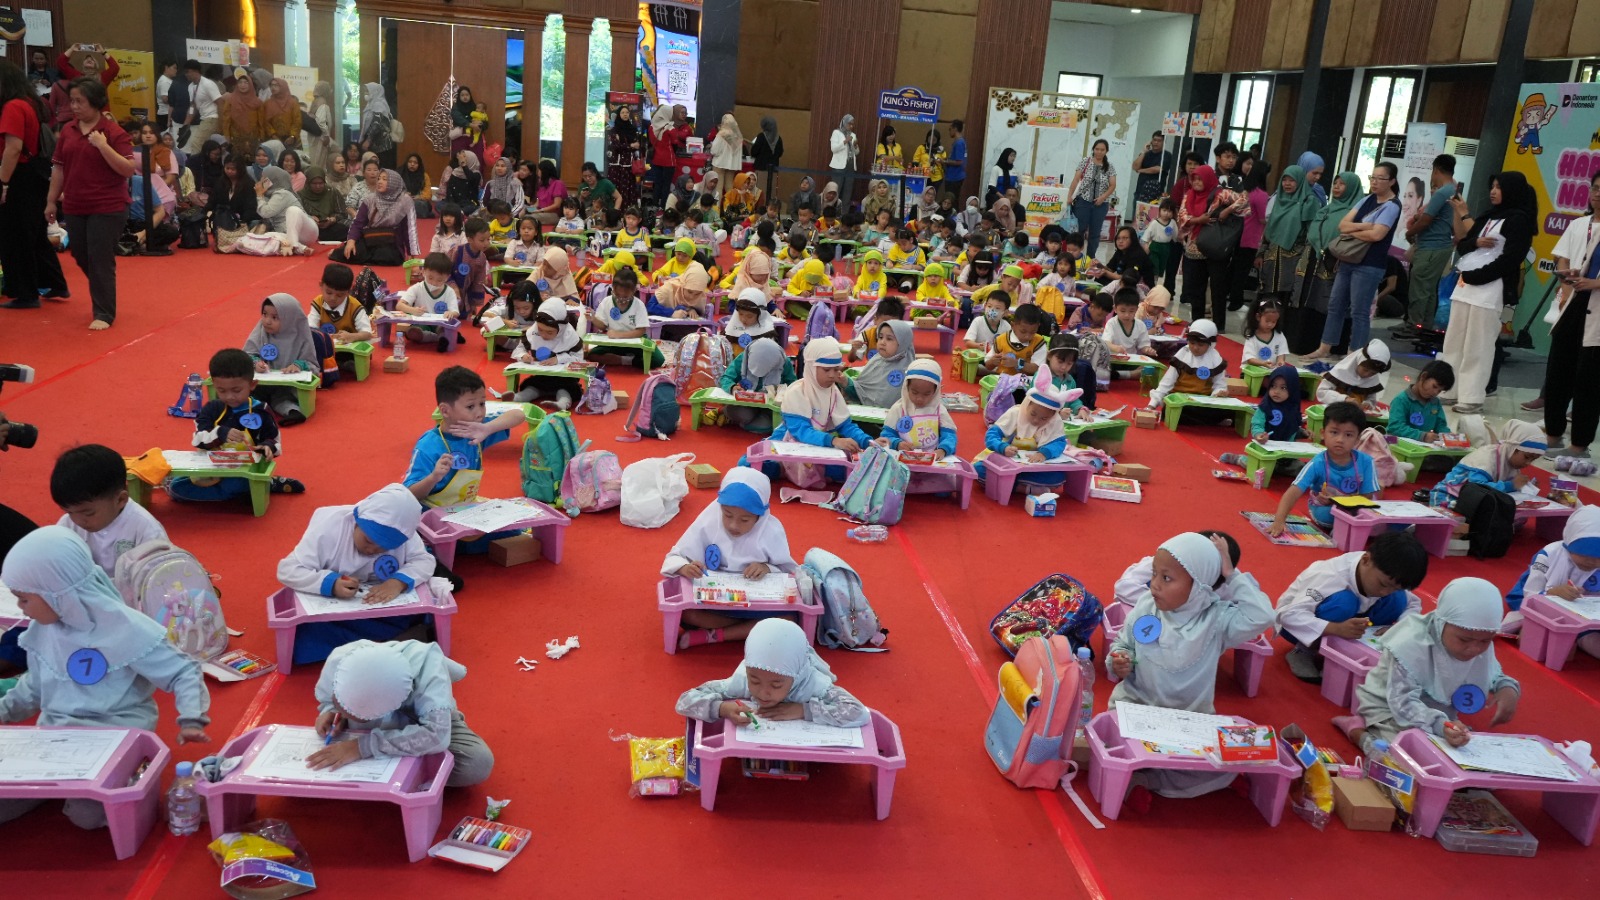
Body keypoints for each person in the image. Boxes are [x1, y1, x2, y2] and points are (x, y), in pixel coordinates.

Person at [0, 527, 211, 828]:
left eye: (24, 600)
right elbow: (36, 684)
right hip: (54, 739)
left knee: (88, 816)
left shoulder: (125, 627)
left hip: (117, 738)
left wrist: (191, 717)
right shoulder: (44, 629)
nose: (21, 608)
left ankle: (131, 779)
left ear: (58, 595)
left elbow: (182, 670)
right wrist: (5, 710)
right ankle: (54, 784)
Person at [1106, 532, 1273, 797]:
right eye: (1155, 574)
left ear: (1199, 585)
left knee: (1231, 760)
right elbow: (1122, 645)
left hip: (1188, 722)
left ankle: (1145, 779)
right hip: (1134, 712)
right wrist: (1119, 662)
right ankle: (1148, 774)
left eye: (1167, 578)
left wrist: (1231, 574)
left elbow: (1263, 616)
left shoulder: (1217, 620)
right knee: (1110, 739)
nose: (1154, 585)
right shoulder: (1147, 606)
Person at [1339, 578, 1520, 757]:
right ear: (1441, 623)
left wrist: (1507, 688)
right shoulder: (1410, 643)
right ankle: (1358, 732)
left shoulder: (1476, 637)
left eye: (1485, 641)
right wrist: (1441, 725)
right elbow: (1402, 704)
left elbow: (1493, 672)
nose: (1474, 649)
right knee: (1403, 757)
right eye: (1464, 640)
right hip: (1389, 709)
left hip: (1440, 716)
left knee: (1461, 758)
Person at [276, 483, 437, 666]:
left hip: (379, 608)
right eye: (368, 540)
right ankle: (386, 645)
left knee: (418, 614)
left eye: (385, 547)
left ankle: (367, 647)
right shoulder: (329, 528)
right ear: (357, 520)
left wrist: (397, 582)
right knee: (307, 637)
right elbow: (288, 570)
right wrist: (330, 584)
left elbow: (425, 560)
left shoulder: (404, 532)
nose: (374, 550)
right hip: (337, 610)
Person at [308, 639, 492, 786]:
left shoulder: (430, 670)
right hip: (372, 728)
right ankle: (407, 767)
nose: (344, 713)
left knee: (476, 763)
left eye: (350, 713)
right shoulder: (340, 659)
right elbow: (328, 699)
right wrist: (330, 711)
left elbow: (437, 735)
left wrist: (361, 747)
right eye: (340, 703)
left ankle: (407, 772)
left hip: (422, 723)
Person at [1438, 171, 1538, 414]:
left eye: (1498, 187)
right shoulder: (1487, 216)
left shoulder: (1520, 220)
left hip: (1490, 287)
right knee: (1454, 341)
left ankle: (1471, 396)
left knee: (1479, 344)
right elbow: (1462, 244)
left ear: (1511, 190)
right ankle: (1448, 388)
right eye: (1492, 186)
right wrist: (1475, 243)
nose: (1493, 191)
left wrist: (1477, 276)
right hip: (1465, 287)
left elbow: (1511, 259)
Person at [1275, 531, 1428, 681]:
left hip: (1352, 619)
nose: (1385, 592)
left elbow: (1413, 603)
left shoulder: (1384, 575)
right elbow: (1288, 615)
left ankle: (1351, 649)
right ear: (1366, 560)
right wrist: (1336, 629)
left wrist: (1400, 627)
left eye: (1395, 587)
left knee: (1398, 599)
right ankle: (1303, 651)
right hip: (1295, 626)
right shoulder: (1331, 575)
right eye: (1383, 584)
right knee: (1344, 603)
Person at [47, 78, 136, 331]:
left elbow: (128, 169)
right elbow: (59, 168)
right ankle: (103, 286)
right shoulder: (68, 131)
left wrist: (103, 146)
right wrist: (51, 200)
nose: (73, 106)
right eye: (71, 101)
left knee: (99, 259)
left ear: (96, 103)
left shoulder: (113, 132)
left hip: (108, 206)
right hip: (75, 205)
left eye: (79, 101)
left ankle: (104, 312)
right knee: (80, 254)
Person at [677, 616, 870, 722]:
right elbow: (685, 701)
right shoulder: (743, 679)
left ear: (796, 675)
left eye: (777, 684)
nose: (763, 692)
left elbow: (859, 712)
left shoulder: (811, 685)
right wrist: (721, 708)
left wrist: (805, 710)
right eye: (755, 680)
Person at [1305, 162, 1402, 362]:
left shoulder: (1393, 205)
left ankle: (1354, 354)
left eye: (1380, 178)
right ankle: (1325, 348)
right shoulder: (1367, 200)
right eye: (1372, 177)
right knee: (1335, 305)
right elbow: (1343, 226)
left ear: (1392, 181)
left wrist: (1357, 229)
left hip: (1370, 264)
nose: (1374, 182)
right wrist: (1365, 225)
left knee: (1359, 311)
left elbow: (1377, 235)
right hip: (1349, 259)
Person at [0, 60, 70, 310]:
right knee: (36, 234)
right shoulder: (32, 103)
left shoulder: (12, 107)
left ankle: (25, 292)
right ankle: (55, 283)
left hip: (20, 174)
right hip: (36, 171)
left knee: (15, 235)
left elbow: (13, 148)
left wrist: (3, 182)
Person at [403, 366, 523, 507]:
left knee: (513, 526)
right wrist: (433, 478)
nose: (479, 412)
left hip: (464, 508)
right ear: (445, 410)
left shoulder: (478, 430)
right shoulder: (428, 447)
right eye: (470, 406)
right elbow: (409, 494)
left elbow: (519, 415)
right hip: (432, 514)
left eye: (482, 404)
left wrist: (487, 428)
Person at [1542, 170, 1600, 461]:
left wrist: (1596, 283)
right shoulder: (1579, 224)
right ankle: (1552, 436)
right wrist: (1567, 282)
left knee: (1588, 382)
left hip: (1597, 313)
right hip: (1574, 304)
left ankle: (1579, 446)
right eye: (1595, 188)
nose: (1598, 194)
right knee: (1557, 374)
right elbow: (1563, 256)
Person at [50, 444, 167, 574]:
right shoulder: (67, 525)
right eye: (69, 512)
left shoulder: (147, 530)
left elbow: (158, 577)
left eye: (88, 513)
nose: (77, 520)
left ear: (120, 500)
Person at [1502, 507, 1600, 659]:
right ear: (1569, 544)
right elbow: (1530, 594)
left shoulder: (1596, 566)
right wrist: (1553, 593)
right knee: (1543, 636)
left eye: (1598, 558)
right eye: (1584, 554)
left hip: (1584, 618)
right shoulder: (1549, 555)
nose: (1592, 562)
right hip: (1539, 603)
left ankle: (1574, 634)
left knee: (1589, 638)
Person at [1269, 401, 1380, 534]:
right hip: (1325, 509)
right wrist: (1279, 521)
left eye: (1348, 435)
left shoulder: (1366, 461)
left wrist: (1338, 500)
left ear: (1358, 439)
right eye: (1334, 432)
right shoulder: (1318, 463)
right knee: (1329, 514)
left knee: (1373, 511)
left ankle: (1350, 527)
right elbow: (1293, 492)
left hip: (1355, 506)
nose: (1340, 439)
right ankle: (1349, 528)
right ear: (1323, 433)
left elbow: (1367, 496)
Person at [1297, 172, 1362, 354]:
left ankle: (1335, 346)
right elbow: (1313, 231)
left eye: (1342, 184)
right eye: (1335, 183)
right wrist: (1320, 248)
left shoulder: (1355, 214)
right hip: (1316, 260)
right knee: (1315, 301)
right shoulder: (1326, 209)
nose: (1336, 187)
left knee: (1334, 304)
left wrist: (1330, 249)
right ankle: (1311, 342)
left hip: (1338, 263)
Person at [1396, 155, 1458, 332]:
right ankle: (1425, 326)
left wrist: (1409, 233)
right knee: (1429, 290)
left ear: (1436, 170)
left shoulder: (1442, 192)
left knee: (1419, 289)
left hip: (1431, 247)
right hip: (1441, 247)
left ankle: (1413, 325)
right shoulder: (1453, 190)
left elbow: (1426, 220)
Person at [1428, 419, 1547, 510]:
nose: (1528, 463)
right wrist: (1511, 485)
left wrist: (1526, 486)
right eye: (1526, 457)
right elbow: (1476, 489)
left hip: (1476, 501)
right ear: (1513, 448)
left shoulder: (1509, 461)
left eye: (1533, 460)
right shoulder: (1486, 458)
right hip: (1449, 497)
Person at [1177, 165, 1237, 326]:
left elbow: (1244, 200)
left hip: (1215, 247)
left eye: (1200, 179)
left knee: (1218, 288)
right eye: (1194, 179)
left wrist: (1228, 210)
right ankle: (1197, 322)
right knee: (1196, 288)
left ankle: (1218, 325)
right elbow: (1182, 217)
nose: (1196, 182)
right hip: (1194, 248)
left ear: (1208, 179)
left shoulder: (1220, 193)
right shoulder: (1189, 195)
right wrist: (1199, 220)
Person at [245, 293, 320, 423]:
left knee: (281, 398)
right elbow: (247, 355)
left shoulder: (300, 336)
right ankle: (259, 411)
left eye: (275, 317)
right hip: (261, 384)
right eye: (264, 314)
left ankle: (293, 412)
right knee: (248, 394)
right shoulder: (261, 331)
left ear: (289, 319)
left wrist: (298, 365)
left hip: (288, 387)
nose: (267, 321)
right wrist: (256, 363)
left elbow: (313, 367)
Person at [978, 384, 1071, 487]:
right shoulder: (1015, 413)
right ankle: (1024, 487)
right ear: (1027, 404)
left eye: (1044, 419)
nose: (1036, 421)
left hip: (1033, 468)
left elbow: (1059, 443)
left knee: (1058, 477)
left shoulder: (1055, 421)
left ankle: (1010, 484)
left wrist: (1044, 454)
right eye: (1033, 414)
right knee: (979, 469)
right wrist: (1002, 447)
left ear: (1053, 416)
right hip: (1006, 463)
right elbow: (991, 435)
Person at [1219, 366, 1305, 471]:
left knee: (1302, 469)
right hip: (1265, 451)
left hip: (1287, 456)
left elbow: (1291, 427)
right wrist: (1259, 434)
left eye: (1283, 388)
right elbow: (1257, 424)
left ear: (1293, 389)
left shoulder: (1293, 408)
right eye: (1273, 386)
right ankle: (1239, 459)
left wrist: (1304, 433)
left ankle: (1278, 468)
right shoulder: (1266, 407)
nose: (1276, 391)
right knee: (1259, 467)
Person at [1257, 164, 1321, 306]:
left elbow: (1312, 234)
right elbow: (1269, 229)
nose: (1287, 184)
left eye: (1292, 180)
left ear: (1300, 181)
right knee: (1267, 297)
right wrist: (1261, 253)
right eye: (1284, 180)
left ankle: (1283, 328)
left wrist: (1304, 261)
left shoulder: (1308, 202)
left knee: (1287, 298)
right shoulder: (1279, 199)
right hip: (1272, 257)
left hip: (1293, 259)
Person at [337, 167, 419, 266]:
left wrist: (412, 253)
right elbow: (358, 222)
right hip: (370, 239)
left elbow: (409, 228)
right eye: (379, 178)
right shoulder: (370, 199)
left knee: (387, 256)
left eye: (384, 179)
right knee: (349, 253)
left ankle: (368, 259)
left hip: (391, 243)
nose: (380, 182)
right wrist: (351, 241)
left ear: (394, 182)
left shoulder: (405, 201)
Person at [1146, 319, 1228, 408]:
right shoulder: (1182, 356)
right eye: (1192, 343)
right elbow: (1166, 384)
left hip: (1203, 402)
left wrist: (1219, 393)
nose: (1195, 348)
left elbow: (1220, 385)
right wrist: (1152, 404)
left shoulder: (1215, 360)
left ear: (1211, 344)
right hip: (1179, 401)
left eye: (1200, 345)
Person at [308, 262, 371, 375]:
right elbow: (309, 328)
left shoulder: (355, 307)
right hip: (327, 348)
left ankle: (343, 363)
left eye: (339, 295)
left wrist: (352, 336)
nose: (333, 298)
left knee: (356, 353)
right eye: (329, 292)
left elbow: (367, 333)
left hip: (348, 349)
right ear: (321, 285)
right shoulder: (317, 303)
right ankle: (336, 364)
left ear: (348, 292)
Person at [843, 320, 914, 409]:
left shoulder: (907, 371)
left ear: (902, 343)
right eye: (880, 337)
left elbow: (885, 402)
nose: (882, 342)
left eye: (889, 339)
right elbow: (861, 389)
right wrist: (845, 382)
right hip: (861, 412)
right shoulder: (877, 359)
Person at [250, 165, 317, 255]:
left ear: (272, 179)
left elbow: (265, 213)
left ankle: (294, 245)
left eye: (264, 177)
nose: (261, 180)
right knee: (261, 237)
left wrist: (259, 196)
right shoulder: (268, 195)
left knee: (293, 210)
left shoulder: (282, 193)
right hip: (288, 234)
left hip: (306, 231)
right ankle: (300, 247)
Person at [1068, 139, 1116, 259]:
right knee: (1079, 231)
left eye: (1102, 150)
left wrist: (1103, 197)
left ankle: (1090, 258)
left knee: (1095, 233)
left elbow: (1113, 185)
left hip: (1101, 205)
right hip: (1083, 202)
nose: (1099, 152)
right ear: (1093, 149)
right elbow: (1076, 179)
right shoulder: (1085, 161)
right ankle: (1074, 256)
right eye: (1097, 149)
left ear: (1106, 151)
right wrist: (1070, 195)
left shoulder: (1110, 167)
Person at [1387, 360, 1455, 443]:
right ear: (1423, 376)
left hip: (1422, 447)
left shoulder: (1435, 403)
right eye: (1434, 386)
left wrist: (1448, 436)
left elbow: (1440, 425)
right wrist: (1422, 436)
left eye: (1439, 391)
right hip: (1398, 445)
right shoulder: (1401, 400)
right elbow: (1395, 427)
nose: (1435, 393)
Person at [1315, 338, 1390, 407]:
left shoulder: (1372, 380)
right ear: (1358, 362)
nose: (1367, 374)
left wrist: (1368, 404)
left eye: (1373, 373)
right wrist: (1345, 399)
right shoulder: (1340, 372)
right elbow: (1321, 392)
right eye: (1365, 370)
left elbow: (1371, 399)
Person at [981, 303, 1048, 378]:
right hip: (1002, 381)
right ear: (1013, 325)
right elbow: (988, 366)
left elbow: (1037, 368)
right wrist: (992, 362)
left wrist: (1017, 363)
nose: (1027, 336)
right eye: (1023, 331)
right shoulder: (1001, 340)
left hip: (1026, 383)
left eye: (1033, 332)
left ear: (1038, 327)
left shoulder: (1039, 342)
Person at [649, 103, 691, 207]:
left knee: (657, 183)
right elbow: (675, 142)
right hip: (669, 160)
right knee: (666, 185)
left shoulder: (651, 127)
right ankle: (663, 206)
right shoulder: (670, 128)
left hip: (656, 159)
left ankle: (654, 205)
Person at [217, 69, 263, 160]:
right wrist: (227, 136)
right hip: (236, 138)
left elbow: (261, 121)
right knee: (236, 161)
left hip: (253, 138)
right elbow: (226, 120)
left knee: (253, 161)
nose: (243, 85)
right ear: (237, 85)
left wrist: (262, 137)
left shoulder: (258, 102)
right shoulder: (230, 100)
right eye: (240, 82)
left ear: (251, 85)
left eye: (246, 82)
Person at [179, 60, 222, 154]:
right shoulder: (190, 86)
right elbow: (192, 106)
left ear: (196, 71)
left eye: (187, 71)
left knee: (196, 143)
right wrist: (185, 125)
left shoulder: (208, 84)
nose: (186, 74)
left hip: (212, 118)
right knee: (205, 146)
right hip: (204, 119)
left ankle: (196, 167)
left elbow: (220, 103)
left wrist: (222, 123)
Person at [208, 153, 258, 232]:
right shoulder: (220, 182)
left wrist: (242, 222)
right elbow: (212, 201)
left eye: (233, 169)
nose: (229, 171)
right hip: (223, 221)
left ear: (240, 169)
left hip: (242, 222)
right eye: (227, 168)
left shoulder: (249, 184)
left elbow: (251, 207)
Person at [607, 104, 642, 209]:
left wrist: (629, 146)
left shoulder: (632, 129)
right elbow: (615, 146)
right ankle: (615, 213)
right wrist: (630, 145)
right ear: (619, 114)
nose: (625, 114)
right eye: (622, 112)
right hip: (616, 165)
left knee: (627, 189)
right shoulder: (614, 130)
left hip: (628, 164)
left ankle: (627, 215)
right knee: (616, 189)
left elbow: (637, 145)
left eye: (627, 112)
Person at [1103, 289, 1153, 357]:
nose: (1127, 315)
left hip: (1132, 360)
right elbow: (1106, 342)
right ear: (1115, 308)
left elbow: (1143, 345)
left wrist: (1147, 350)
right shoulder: (1112, 323)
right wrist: (1115, 348)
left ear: (1136, 309)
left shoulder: (1140, 325)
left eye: (1131, 311)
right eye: (1123, 311)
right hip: (1114, 359)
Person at [1242, 299, 1290, 368]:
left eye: (1274, 322)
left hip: (1271, 371)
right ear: (1258, 317)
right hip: (1253, 371)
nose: (1270, 325)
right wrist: (1263, 363)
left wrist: (1280, 362)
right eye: (1267, 321)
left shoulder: (1279, 336)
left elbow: (1281, 355)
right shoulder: (1252, 337)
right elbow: (1250, 359)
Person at [359, 83, 396, 170]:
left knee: (380, 168)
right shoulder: (372, 104)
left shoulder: (378, 104)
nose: (366, 93)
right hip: (376, 143)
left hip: (381, 145)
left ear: (375, 91)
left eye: (368, 91)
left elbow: (377, 123)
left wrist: (368, 140)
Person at [709, 113, 743, 202]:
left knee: (718, 188)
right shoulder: (738, 136)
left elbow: (714, 151)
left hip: (719, 164)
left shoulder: (721, 134)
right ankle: (729, 209)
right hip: (732, 165)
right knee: (729, 187)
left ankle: (717, 209)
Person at [829, 114, 859, 210]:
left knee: (848, 192)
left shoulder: (853, 135)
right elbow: (833, 149)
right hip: (839, 167)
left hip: (850, 166)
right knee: (835, 191)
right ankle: (832, 212)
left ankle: (844, 215)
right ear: (844, 123)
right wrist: (845, 141)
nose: (851, 126)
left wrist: (855, 146)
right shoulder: (836, 133)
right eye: (849, 123)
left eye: (852, 124)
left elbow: (857, 153)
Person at [262, 77, 301, 148]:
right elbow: (265, 122)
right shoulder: (267, 104)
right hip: (273, 139)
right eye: (271, 85)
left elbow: (297, 121)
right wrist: (273, 136)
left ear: (283, 87)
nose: (273, 88)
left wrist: (292, 136)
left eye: (276, 85)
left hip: (292, 140)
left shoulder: (293, 103)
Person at [1134, 132, 1170, 204]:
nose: (1156, 142)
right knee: (1136, 215)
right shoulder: (1146, 154)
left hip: (1156, 195)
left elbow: (1157, 169)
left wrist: (1141, 170)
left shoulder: (1166, 155)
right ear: (1151, 141)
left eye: (1159, 141)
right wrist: (1143, 152)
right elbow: (1135, 167)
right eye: (1154, 140)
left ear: (1164, 142)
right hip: (1140, 192)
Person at [441, 150, 481, 215]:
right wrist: (451, 205)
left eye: (465, 156)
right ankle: (455, 212)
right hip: (455, 203)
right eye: (461, 157)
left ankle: (455, 212)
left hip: (469, 203)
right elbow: (450, 190)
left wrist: (464, 166)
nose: (462, 159)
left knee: (472, 208)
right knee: (440, 205)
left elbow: (471, 179)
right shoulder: (455, 172)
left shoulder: (476, 174)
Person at [307, 82, 336, 171]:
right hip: (321, 138)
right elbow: (321, 121)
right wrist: (326, 135)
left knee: (314, 160)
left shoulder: (315, 102)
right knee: (319, 162)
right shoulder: (322, 104)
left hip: (313, 136)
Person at [529, 159, 567, 225]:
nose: (538, 172)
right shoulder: (542, 185)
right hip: (541, 211)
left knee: (530, 218)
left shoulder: (558, 183)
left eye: (539, 170)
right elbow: (538, 204)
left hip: (554, 214)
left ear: (544, 171)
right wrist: (529, 209)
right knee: (523, 211)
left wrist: (541, 210)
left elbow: (557, 205)